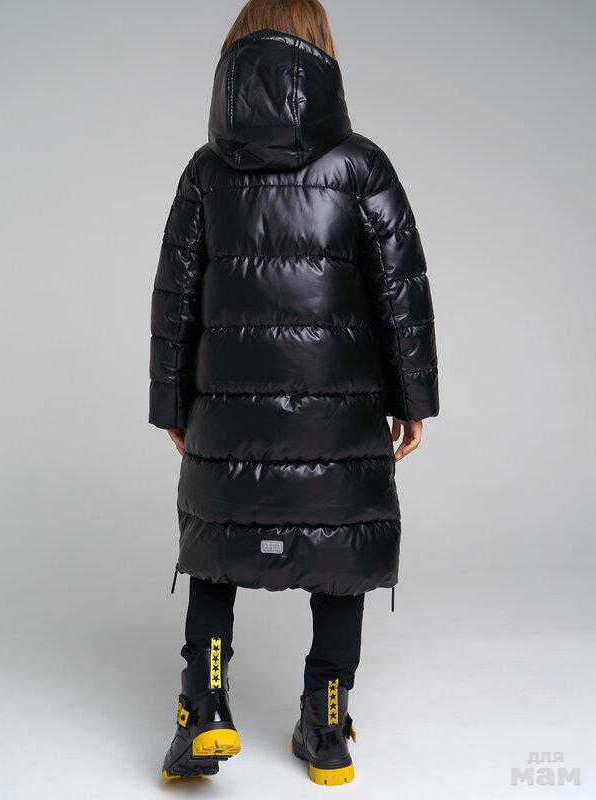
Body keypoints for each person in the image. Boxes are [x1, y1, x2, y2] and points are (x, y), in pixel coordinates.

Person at [149, 0, 439, 786]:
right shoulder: (361, 166)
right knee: (339, 551)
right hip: (337, 416)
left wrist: (172, 405)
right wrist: (412, 399)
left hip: (226, 410)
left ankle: (204, 705)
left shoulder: (206, 172)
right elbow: (401, 293)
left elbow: (174, 298)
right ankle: (326, 722)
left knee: (216, 546)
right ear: (324, 57)